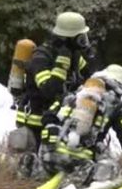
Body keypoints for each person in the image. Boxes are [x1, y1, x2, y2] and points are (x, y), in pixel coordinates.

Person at [40, 64, 122, 185]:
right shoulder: (118, 105)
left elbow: (47, 117)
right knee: (112, 167)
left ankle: (36, 168)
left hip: (49, 157)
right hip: (80, 164)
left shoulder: (73, 94)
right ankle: (85, 182)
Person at [15, 12, 97, 149]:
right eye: (81, 38)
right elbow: (49, 91)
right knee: (37, 164)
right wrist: (61, 65)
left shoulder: (74, 56)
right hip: (36, 123)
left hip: (59, 120)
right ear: (69, 38)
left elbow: (89, 78)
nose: (84, 41)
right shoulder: (41, 57)